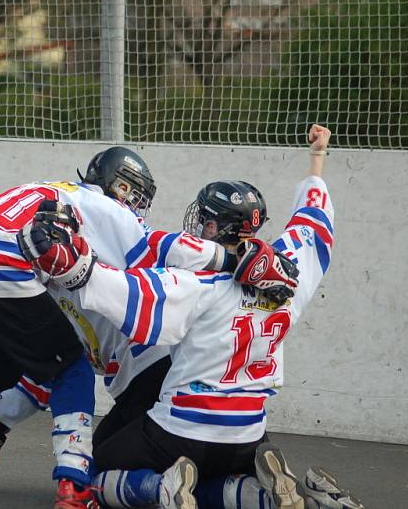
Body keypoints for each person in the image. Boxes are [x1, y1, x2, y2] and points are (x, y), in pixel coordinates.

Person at [0, 147, 236, 509]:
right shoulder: (107, 217)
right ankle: (73, 489)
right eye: (137, 199)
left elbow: (34, 368)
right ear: (122, 188)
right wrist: (234, 258)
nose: (138, 210)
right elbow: (158, 246)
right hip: (10, 270)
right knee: (71, 370)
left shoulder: (58, 207)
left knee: (2, 365)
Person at [20, 124, 338, 509]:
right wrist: (317, 158)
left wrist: (71, 264)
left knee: (96, 469)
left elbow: (126, 293)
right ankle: (265, 497)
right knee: (219, 475)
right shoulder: (292, 274)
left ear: (214, 226)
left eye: (204, 219)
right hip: (251, 433)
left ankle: (161, 489)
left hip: (183, 428)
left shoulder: (195, 284)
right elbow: (313, 224)